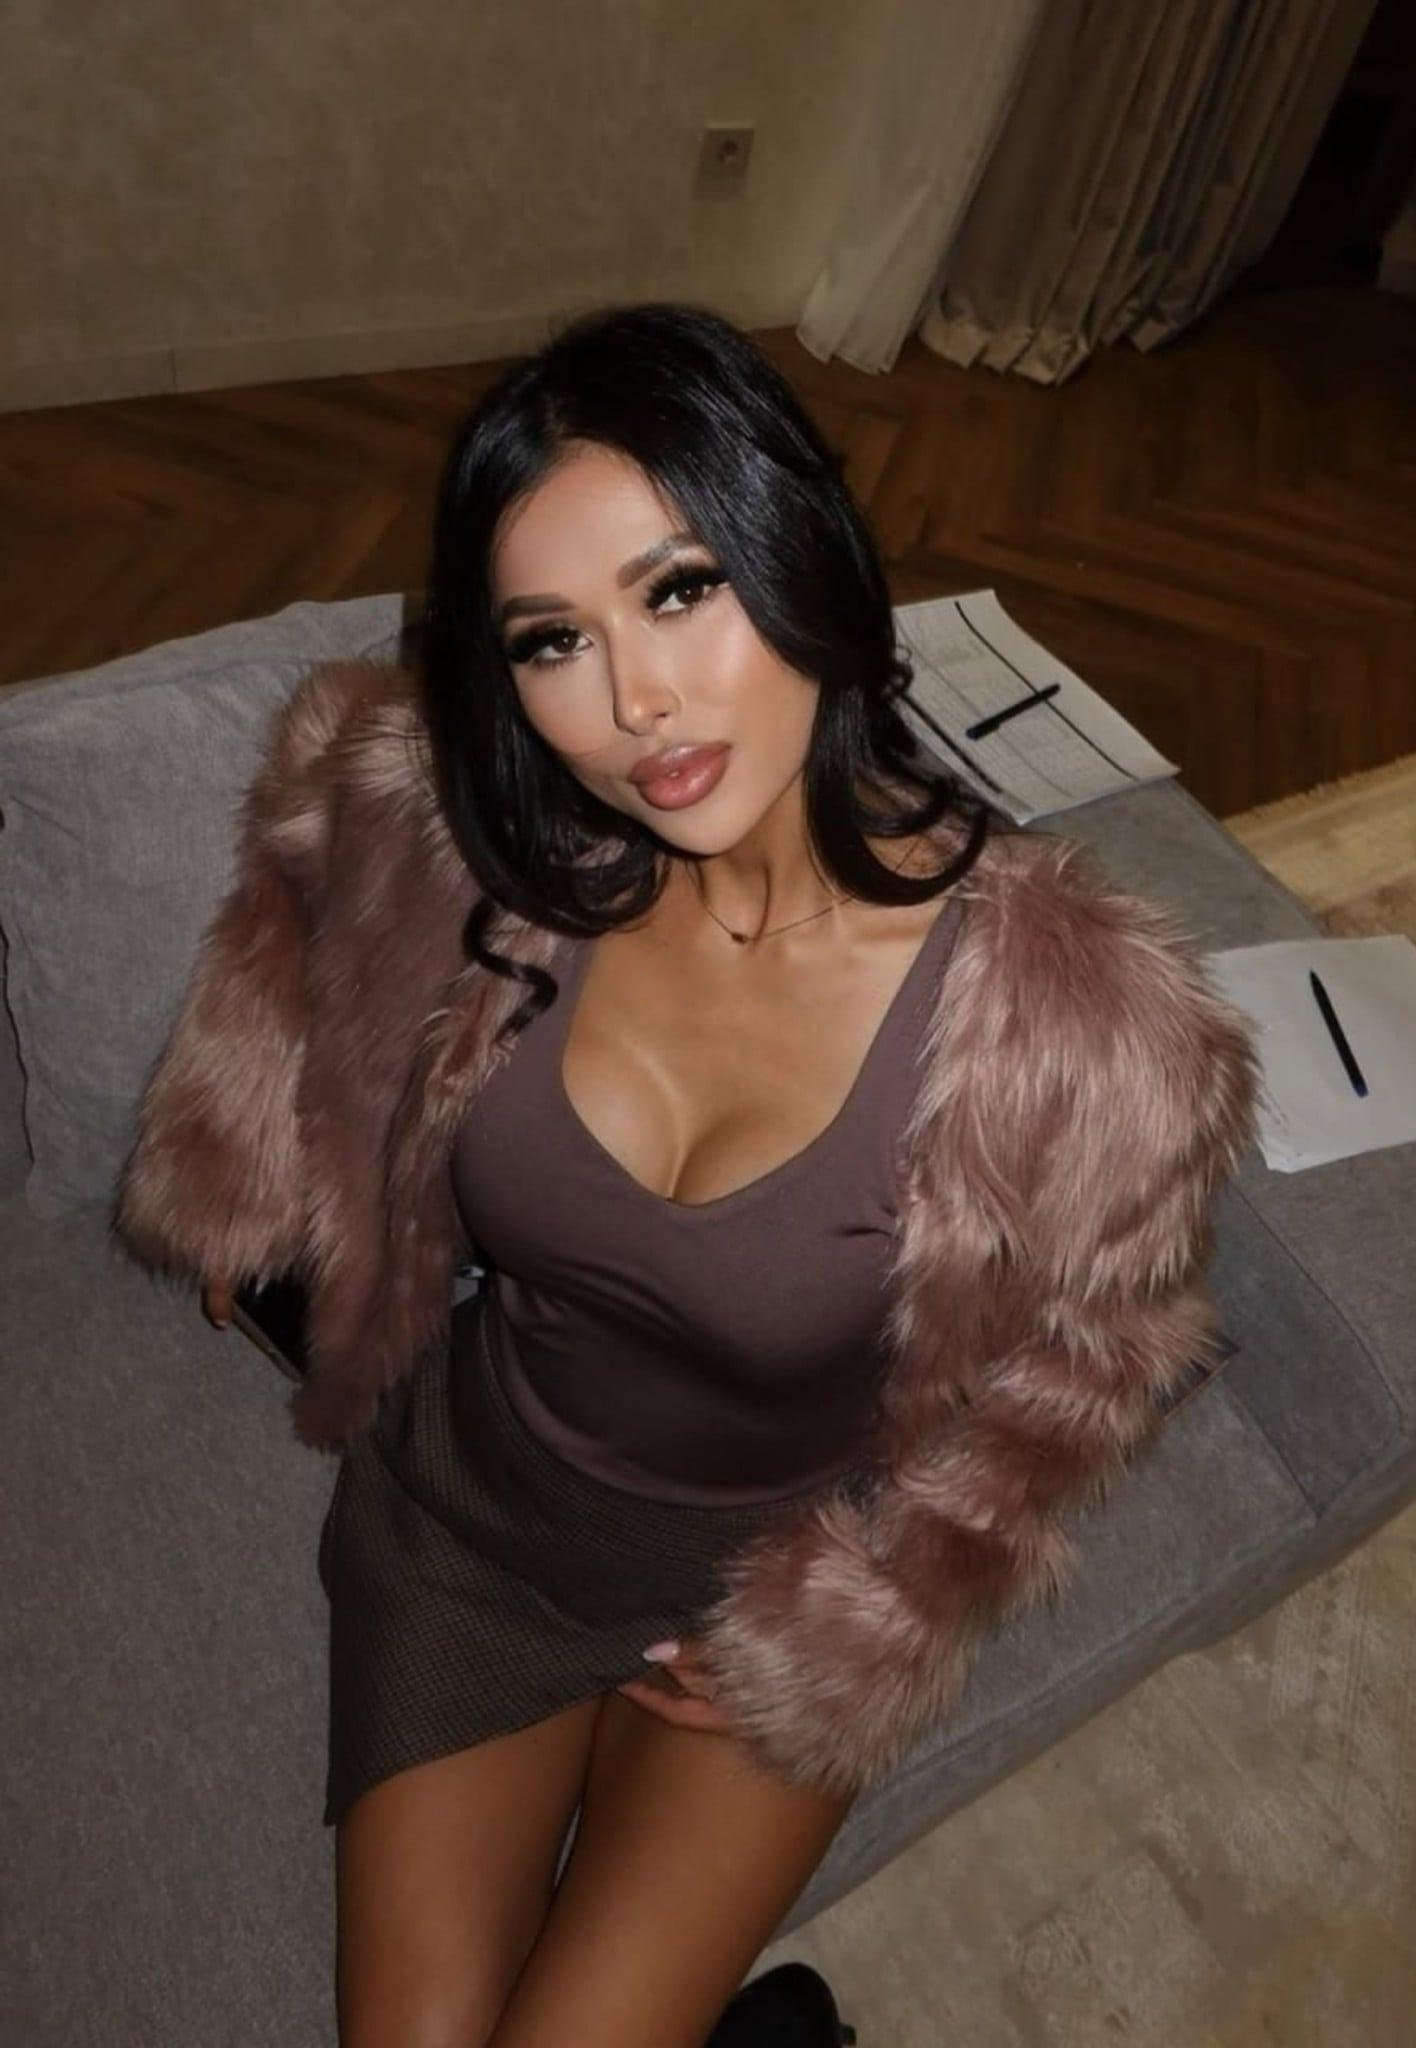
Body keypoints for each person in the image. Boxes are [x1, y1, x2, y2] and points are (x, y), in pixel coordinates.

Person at [114, 300, 1262, 2048]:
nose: (632, 704)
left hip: (759, 1596)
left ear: (802, 555)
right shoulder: (487, 839)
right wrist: (254, 1147)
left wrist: (886, 1601)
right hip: (470, 1531)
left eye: (677, 591)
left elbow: (1105, 1358)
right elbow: (310, 836)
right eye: (551, 639)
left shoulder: (1075, 1027)